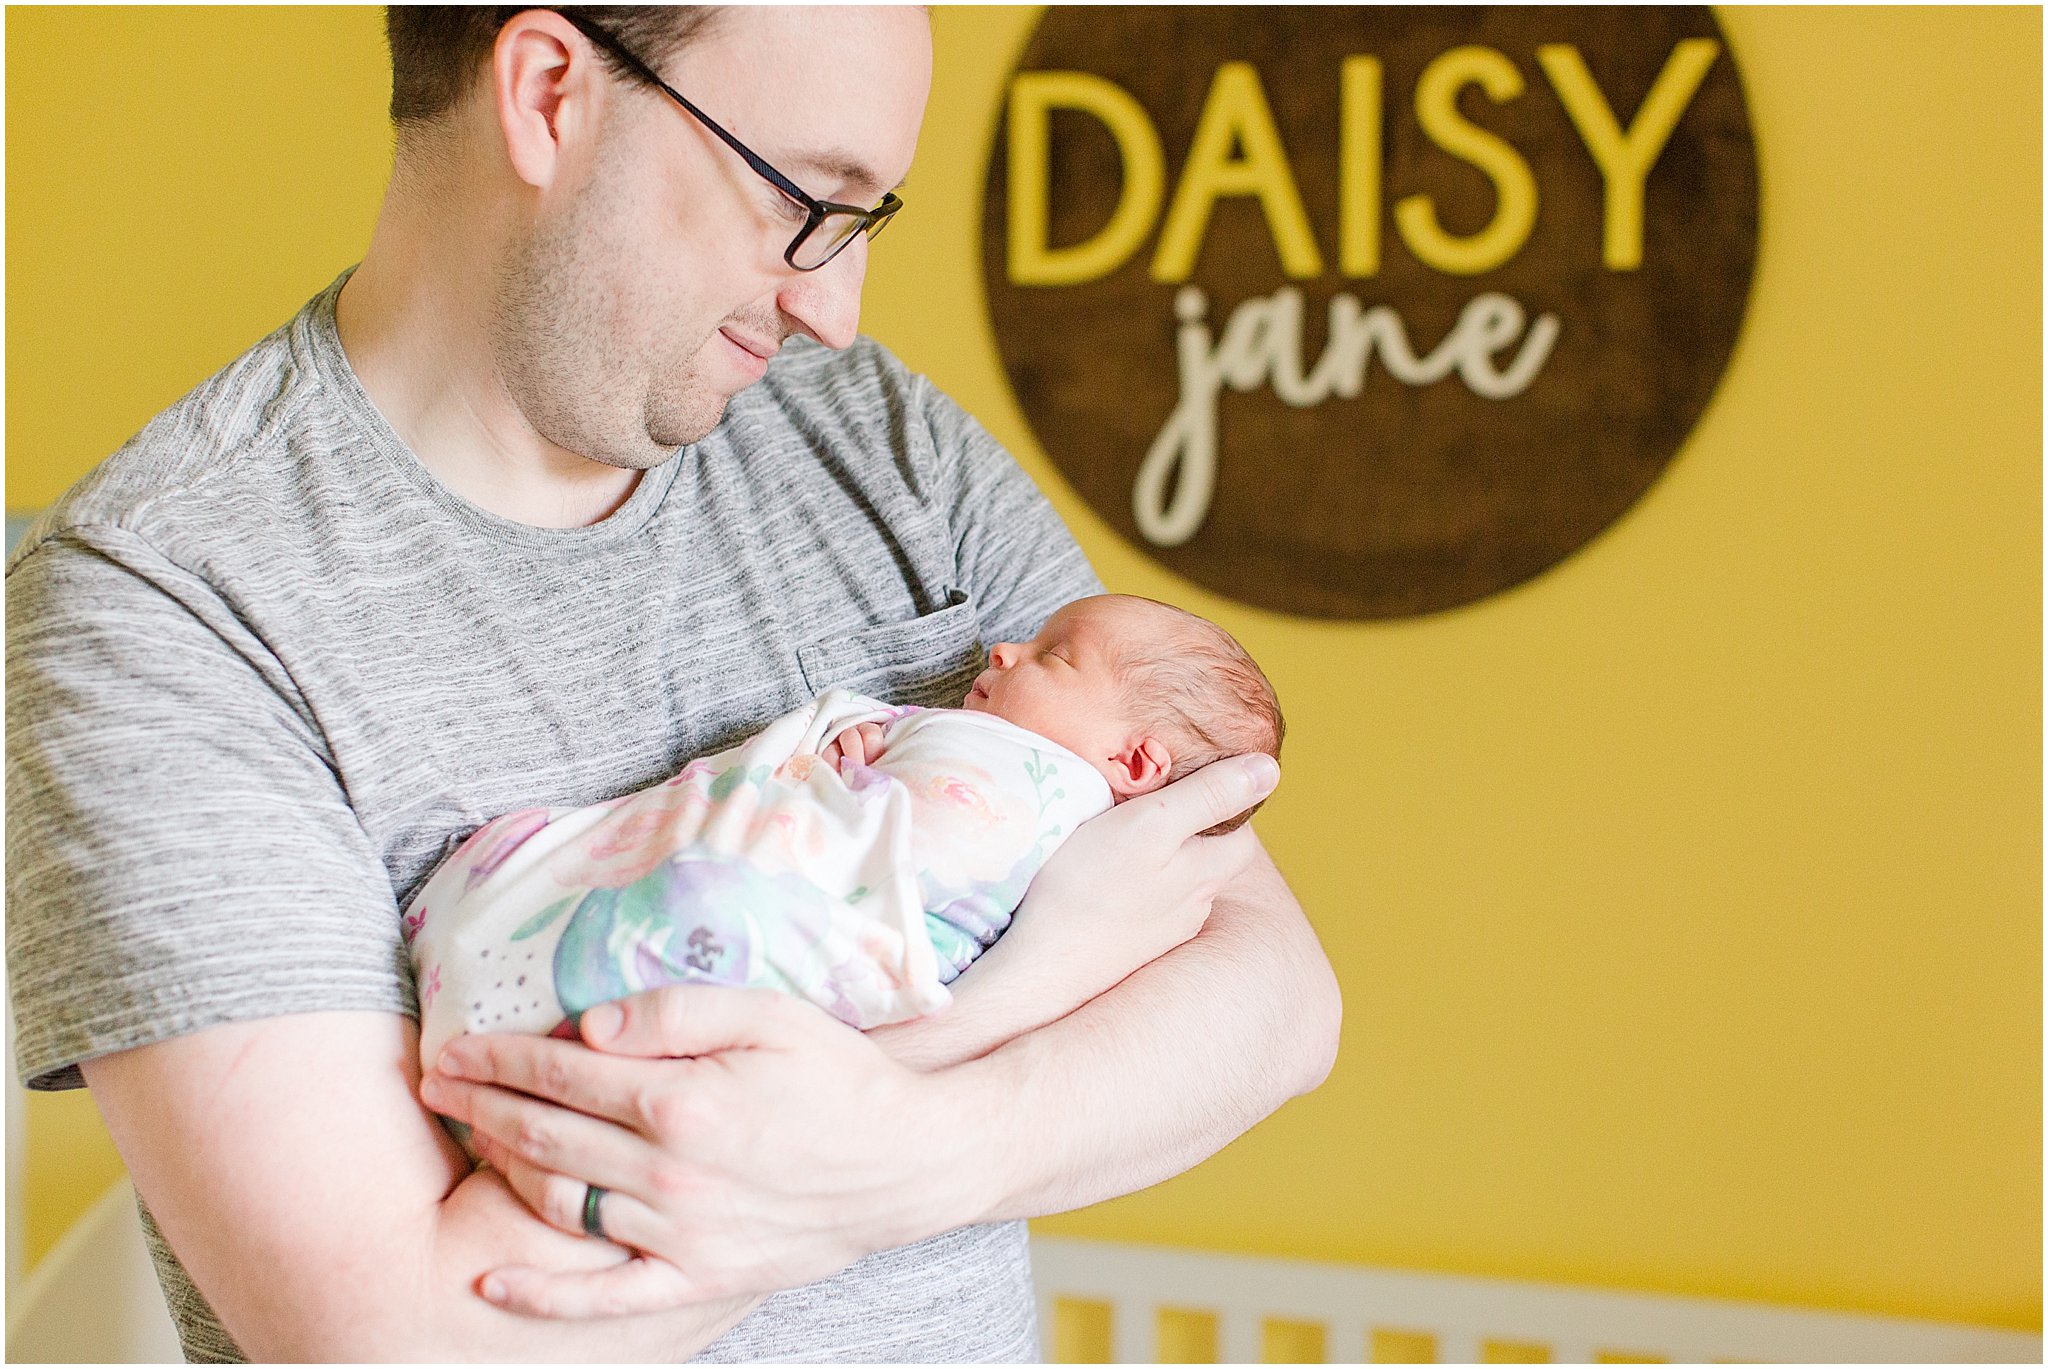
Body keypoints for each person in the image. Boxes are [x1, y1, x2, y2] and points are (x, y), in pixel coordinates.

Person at [6, 6, 1341, 1361]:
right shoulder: (159, 604)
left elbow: (1277, 993)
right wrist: (1012, 1008)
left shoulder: (882, 442)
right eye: (806, 202)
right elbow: (414, 1341)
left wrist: (917, 1142)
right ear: (545, 94)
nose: (833, 306)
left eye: (865, 216)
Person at [408, 592, 1286, 1071]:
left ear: (1135, 764)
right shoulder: (980, 737)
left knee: (715, 905)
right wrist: (857, 748)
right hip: (803, 864)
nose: (1004, 650)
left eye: (1053, 655)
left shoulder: (1100, 835)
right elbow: (870, 780)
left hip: (864, 937)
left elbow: (944, 875)